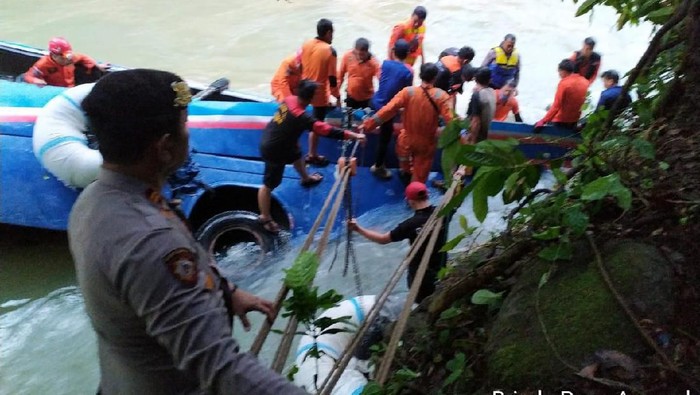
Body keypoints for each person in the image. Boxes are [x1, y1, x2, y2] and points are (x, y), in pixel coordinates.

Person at [68, 69, 306, 395]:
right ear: (165, 147)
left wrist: (225, 290)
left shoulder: (94, 200)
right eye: (184, 125)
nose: (188, 133)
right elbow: (220, 368)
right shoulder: (152, 242)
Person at [258, 79, 365, 233]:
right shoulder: (301, 116)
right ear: (311, 98)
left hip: (275, 137)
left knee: (296, 152)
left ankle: (305, 178)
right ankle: (265, 217)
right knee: (269, 184)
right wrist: (354, 135)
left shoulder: (289, 99)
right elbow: (327, 130)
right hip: (274, 149)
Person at [348, 181, 447, 303]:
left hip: (420, 276)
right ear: (427, 195)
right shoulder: (444, 213)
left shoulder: (410, 225)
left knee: (422, 305)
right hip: (442, 269)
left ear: (410, 201)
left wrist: (358, 229)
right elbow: (457, 199)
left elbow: (383, 239)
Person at [362, 63, 454, 184]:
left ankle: (406, 172)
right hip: (426, 142)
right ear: (435, 78)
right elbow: (452, 122)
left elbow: (387, 111)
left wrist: (368, 125)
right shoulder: (441, 96)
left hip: (406, 139)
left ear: (420, 75)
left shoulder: (407, 92)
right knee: (420, 173)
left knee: (403, 158)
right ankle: (415, 191)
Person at [369, 39, 414, 180]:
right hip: (387, 108)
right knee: (385, 137)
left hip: (375, 101)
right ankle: (378, 166)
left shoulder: (385, 64)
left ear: (393, 52)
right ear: (407, 54)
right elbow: (405, 94)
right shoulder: (409, 72)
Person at [301, 18, 341, 166]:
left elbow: (301, 66)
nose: (333, 36)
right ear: (328, 32)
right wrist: (337, 97)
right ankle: (312, 155)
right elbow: (332, 80)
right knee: (316, 126)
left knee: (300, 120)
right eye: (332, 33)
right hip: (317, 95)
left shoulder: (306, 44)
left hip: (303, 90)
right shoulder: (330, 51)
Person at [24, 37, 106, 87]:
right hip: (56, 91)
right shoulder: (42, 65)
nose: (68, 59)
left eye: (68, 56)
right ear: (54, 55)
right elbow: (28, 76)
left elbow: (84, 57)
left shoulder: (71, 57)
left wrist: (97, 66)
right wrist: (36, 81)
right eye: (63, 57)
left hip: (71, 88)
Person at [534, 59, 589, 132]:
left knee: (548, 109)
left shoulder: (564, 84)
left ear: (563, 71)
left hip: (561, 121)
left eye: (559, 72)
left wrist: (543, 121)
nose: (559, 75)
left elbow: (556, 106)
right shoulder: (585, 82)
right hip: (575, 120)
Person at [338, 37, 381, 109]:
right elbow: (340, 76)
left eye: (362, 55)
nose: (358, 57)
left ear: (367, 52)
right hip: (350, 97)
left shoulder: (373, 62)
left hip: (367, 99)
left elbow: (381, 79)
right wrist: (336, 96)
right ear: (354, 50)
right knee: (349, 118)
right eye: (356, 54)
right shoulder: (347, 56)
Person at [463, 67, 497, 144]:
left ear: (475, 79)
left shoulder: (477, 95)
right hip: (487, 134)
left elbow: (476, 122)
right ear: (490, 80)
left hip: (477, 136)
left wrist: (472, 141)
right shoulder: (492, 92)